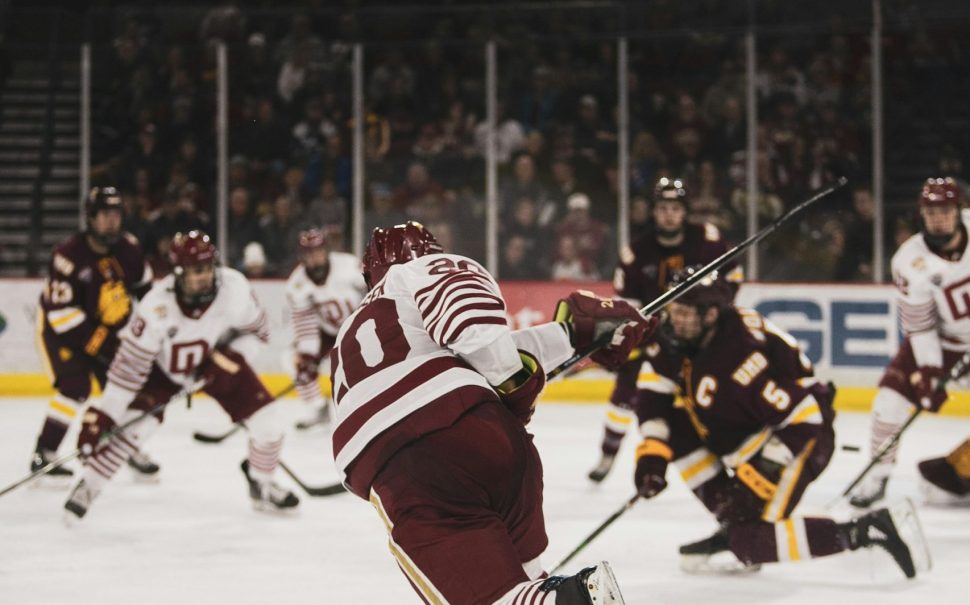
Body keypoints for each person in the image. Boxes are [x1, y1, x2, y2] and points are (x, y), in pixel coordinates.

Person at [329, 221, 654, 604]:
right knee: (520, 585)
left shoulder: (360, 321)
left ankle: (580, 600)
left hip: (413, 466)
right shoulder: (424, 282)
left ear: (371, 273)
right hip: (496, 442)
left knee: (488, 599)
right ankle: (559, 596)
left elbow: (486, 349)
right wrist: (570, 336)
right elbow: (484, 346)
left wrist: (513, 379)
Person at [629, 266, 927, 579]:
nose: (677, 320)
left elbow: (804, 417)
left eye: (687, 313)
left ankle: (867, 530)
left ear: (711, 315)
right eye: (675, 309)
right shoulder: (676, 337)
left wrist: (759, 477)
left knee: (751, 543)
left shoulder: (739, 361)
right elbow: (653, 394)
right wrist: (653, 454)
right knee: (674, 429)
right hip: (749, 431)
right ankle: (735, 523)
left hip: (801, 439)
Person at [63, 230, 299, 520]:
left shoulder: (234, 288)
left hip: (214, 364)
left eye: (207, 267)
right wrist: (105, 416)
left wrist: (230, 357)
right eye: (196, 270)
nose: (205, 276)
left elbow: (259, 332)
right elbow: (128, 372)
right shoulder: (155, 308)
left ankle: (262, 483)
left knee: (271, 424)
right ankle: (89, 485)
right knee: (133, 428)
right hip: (162, 373)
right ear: (178, 273)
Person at [587, 176, 742, 482]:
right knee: (624, 395)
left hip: (700, 337)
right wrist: (637, 333)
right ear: (654, 212)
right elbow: (628, 305)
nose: (669, 213)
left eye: (675, 207)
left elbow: (733, 277)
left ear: (684, 211)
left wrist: (710, 315)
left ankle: (733, 451)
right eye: (663, 207)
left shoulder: (708, 241)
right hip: (652, 337)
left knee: (718, 389)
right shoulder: (636, 252)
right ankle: (608, 453)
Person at [850, 177, 970, 507]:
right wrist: (930, 371)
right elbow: (920, 327)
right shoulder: (909, 260)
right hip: (944, 342)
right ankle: (877, 477)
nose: (938, 218)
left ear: (959, 210)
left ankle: (962, 470)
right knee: (888, 400)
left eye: (945, 210)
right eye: (931, 212)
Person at [31, 187, 157, 480]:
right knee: (76, 388)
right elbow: (62, 314)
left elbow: (147, 293)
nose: (112, 221)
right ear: (90, 217)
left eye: (116, 214)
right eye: (105, 215)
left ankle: (126, 448)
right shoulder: (68, 255)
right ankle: (44, 453)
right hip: (59, 330)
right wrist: (105, 343)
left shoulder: (129, 248)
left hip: (106, 332)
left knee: (123, 389)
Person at [285, 228, 367, 430]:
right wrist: (308, 357)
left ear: (326, 250)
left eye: (318, 251)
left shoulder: (349, 266)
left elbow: (374, 287)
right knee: (291, 359)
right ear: (302, 256)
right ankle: (319, 408)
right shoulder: (297, 284)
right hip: (328, 334)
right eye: (309, 254)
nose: (314, 257)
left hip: (359, 329)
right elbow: (305, 323)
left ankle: (366, 409)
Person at [918, 438, 970, 504]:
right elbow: (952, 457)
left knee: (925, 466)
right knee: (924, 466)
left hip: (961, 476)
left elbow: (952, 457)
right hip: (956, 470)